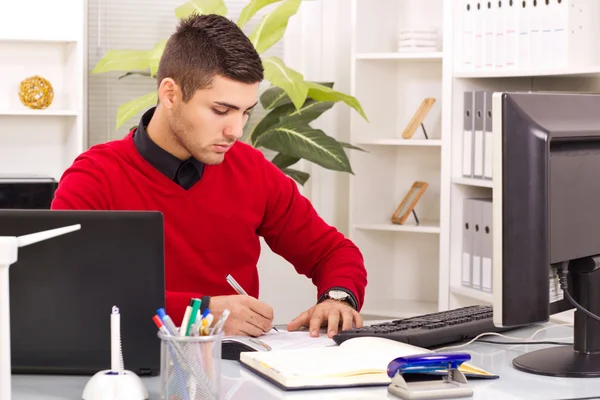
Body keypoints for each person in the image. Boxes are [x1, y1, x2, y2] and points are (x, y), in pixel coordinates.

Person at [51, 13, 367, 339]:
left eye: (246, 112)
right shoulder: (93, 177)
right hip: (126, 370)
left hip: (235, 372)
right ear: (170, 94)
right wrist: (201, 313)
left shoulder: (253, 170)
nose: (237, 131)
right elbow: (67, 288)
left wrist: (337, 298)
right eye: (220, 111)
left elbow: (333, 252)